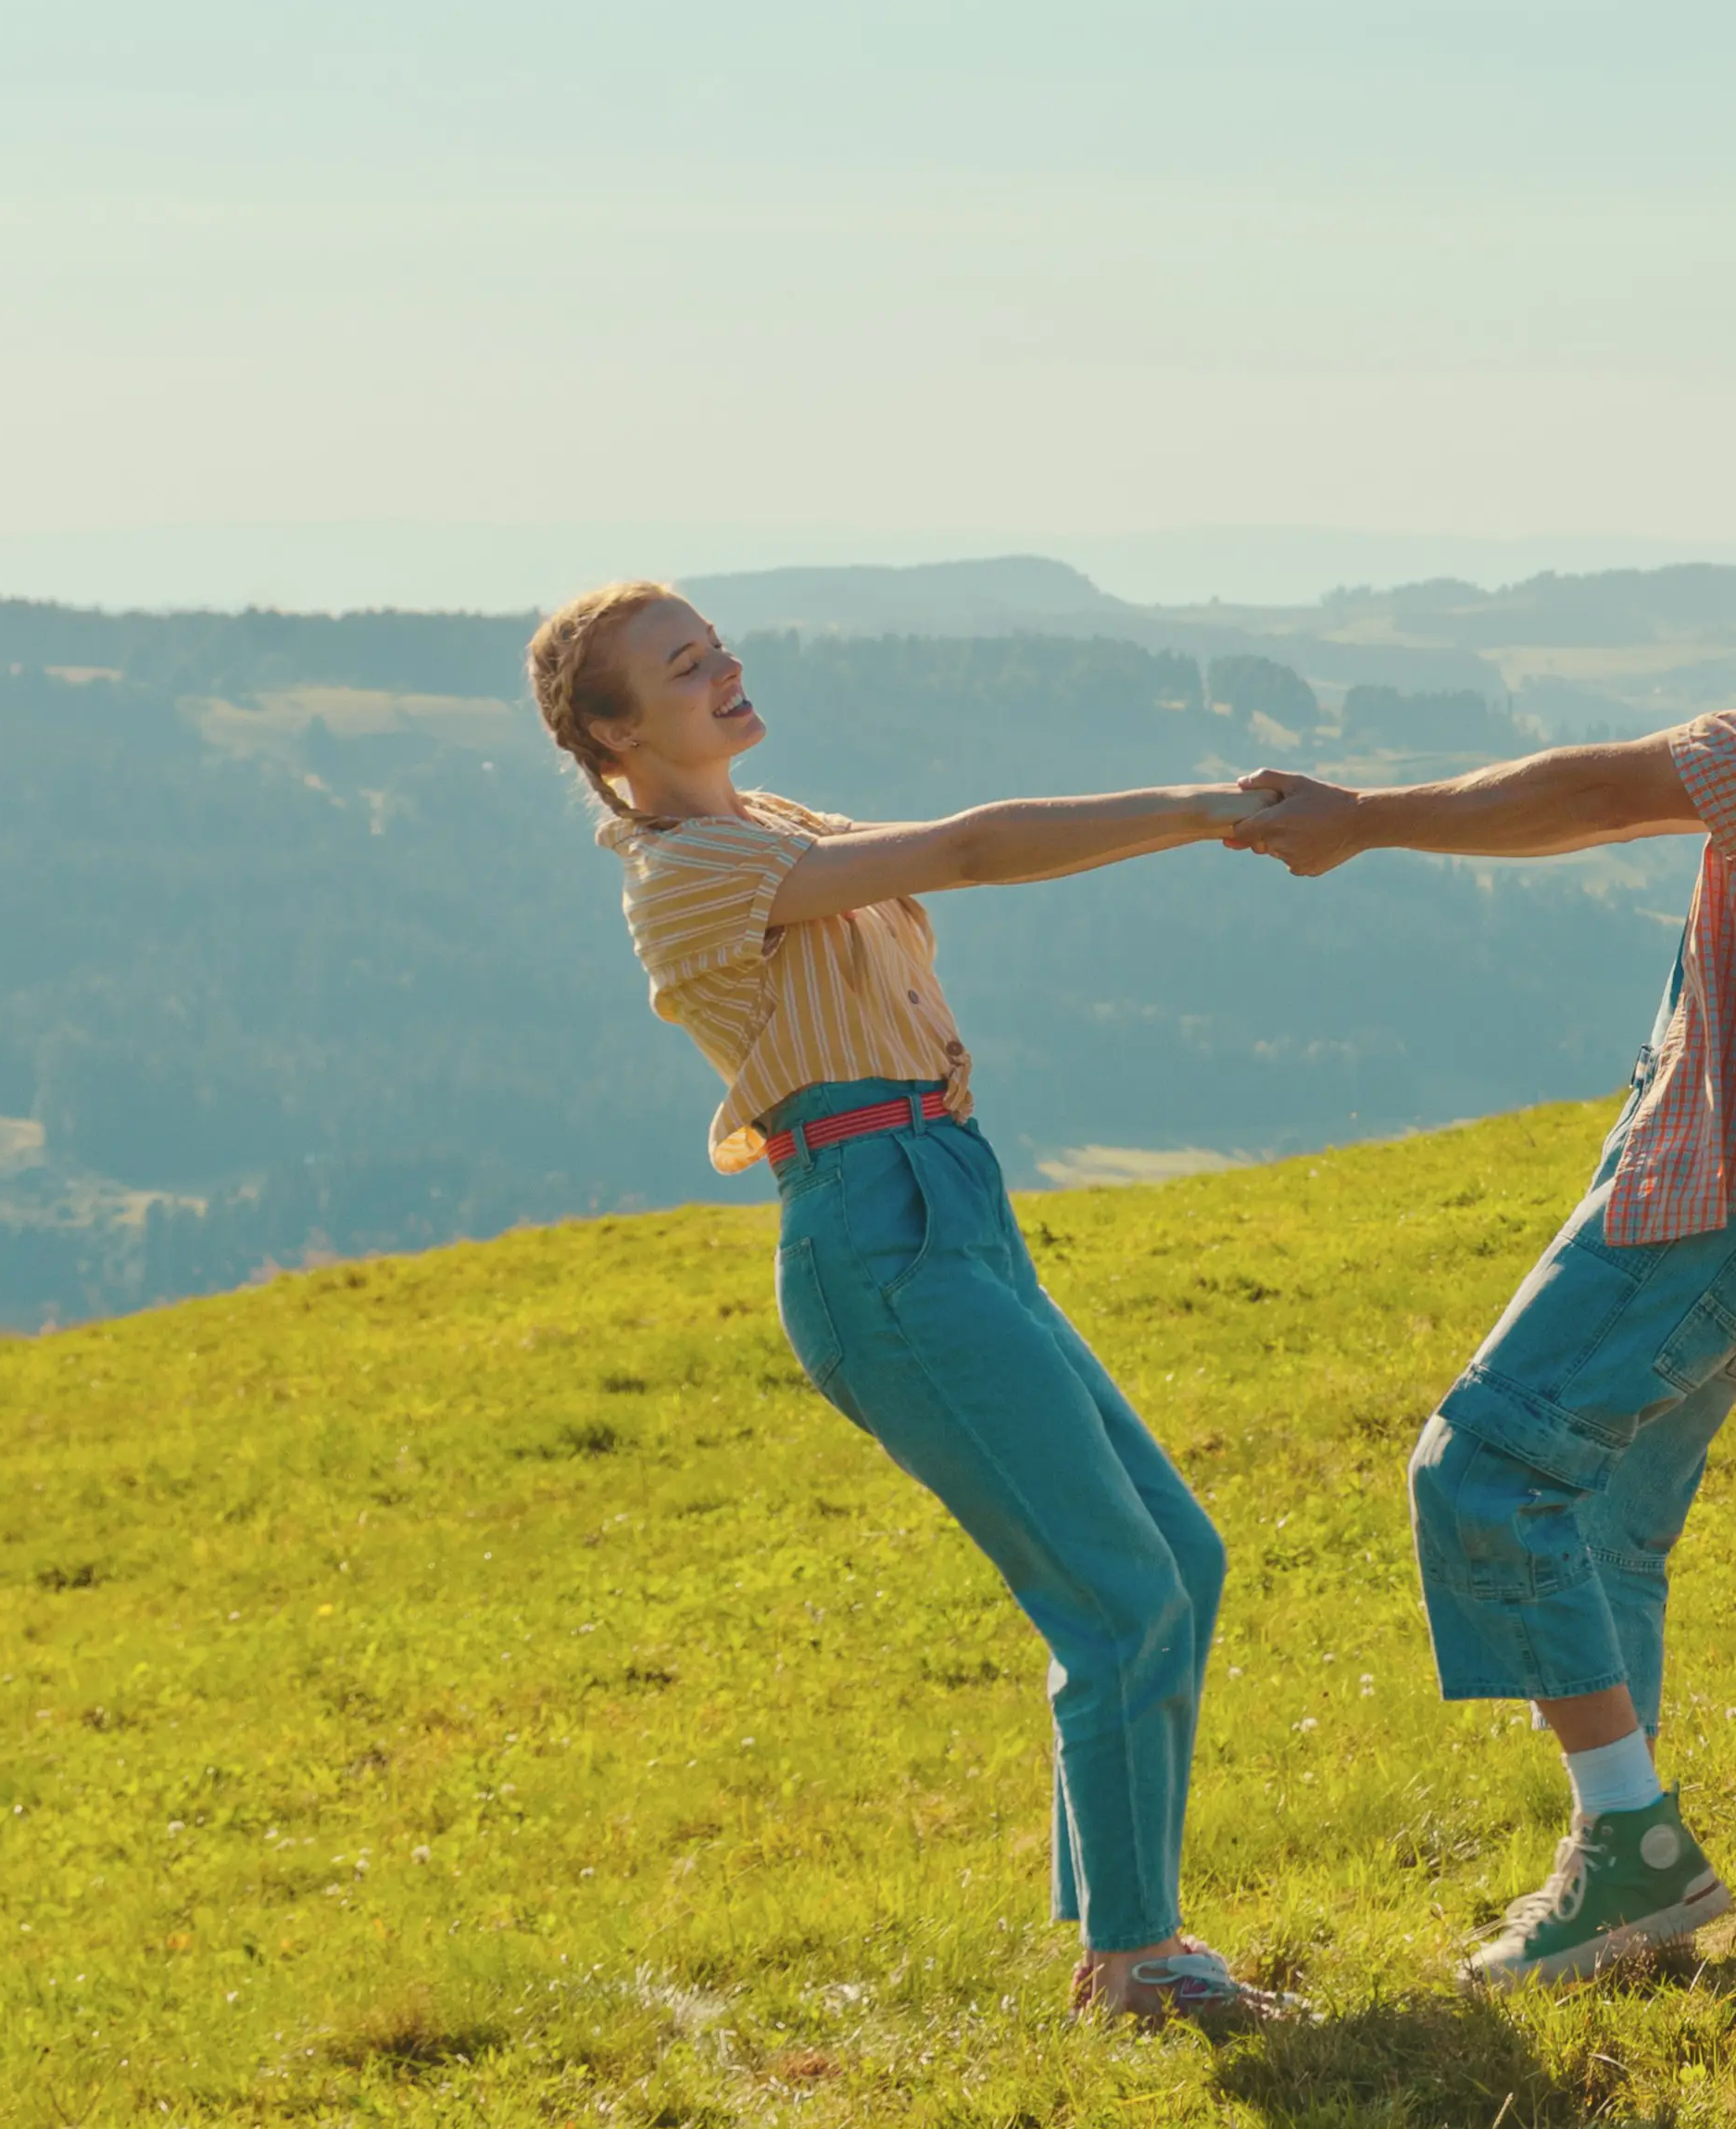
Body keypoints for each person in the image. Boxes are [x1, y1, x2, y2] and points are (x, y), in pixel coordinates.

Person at [1227, 377, 1736, 1987]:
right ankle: (1628, 1895)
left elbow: (1606, 791)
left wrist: (1362, 821)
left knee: (1486, 1468)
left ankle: (1635, 1851)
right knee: (1601, 1519)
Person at [528, 581, 1292, 2035]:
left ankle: (1117, 1941)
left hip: (950, 1195)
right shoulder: (683, 872)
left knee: (1173, 1557)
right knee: (1116, 1593)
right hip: (871, 1238)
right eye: (686, 668)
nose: (727, 668)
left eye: (718, 643)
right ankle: (1139, 1964)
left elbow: (949, 856)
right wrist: (1205, 806)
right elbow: (970, 847)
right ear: (613, 734)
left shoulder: (780, 825)